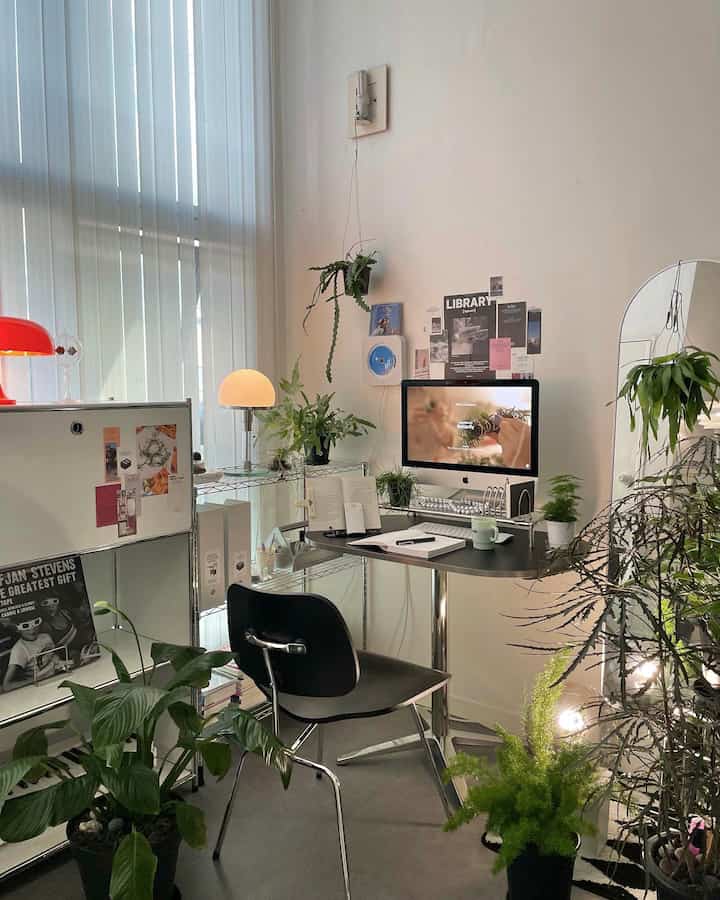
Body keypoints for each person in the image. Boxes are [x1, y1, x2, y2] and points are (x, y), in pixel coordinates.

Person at [3, 612, 56, 691]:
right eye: (25, 626)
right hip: (40, 685)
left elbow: (53, 655)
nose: (32, 629)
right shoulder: (19, 650)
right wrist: (36, 679)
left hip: (57, 675)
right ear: (17, 629)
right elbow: (7, 686)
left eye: (35, 623)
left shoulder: (46, 637)